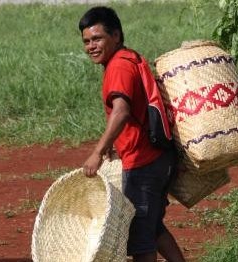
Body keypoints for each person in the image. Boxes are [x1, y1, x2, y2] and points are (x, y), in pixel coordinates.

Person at [79, 6, 185, 262]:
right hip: (158, 156)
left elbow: (122, 111)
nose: (91, 46)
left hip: (144, 163)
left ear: (116, 35)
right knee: (153, 227)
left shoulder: (118, 66)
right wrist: (119, 145)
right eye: (86, 41)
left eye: (97, 38)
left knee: (140, 238)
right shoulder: (129, 58)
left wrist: (98, 151)